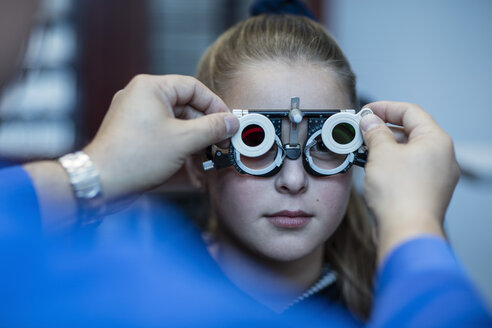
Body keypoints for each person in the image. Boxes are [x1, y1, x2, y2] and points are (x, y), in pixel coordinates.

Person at [1, 2, 491, 327]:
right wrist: (416, 223)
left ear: (359, 151)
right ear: (196, 160)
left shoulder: (383, 299)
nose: (294, 179)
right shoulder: (128, 284)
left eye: (328, 143)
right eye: (256, 140)